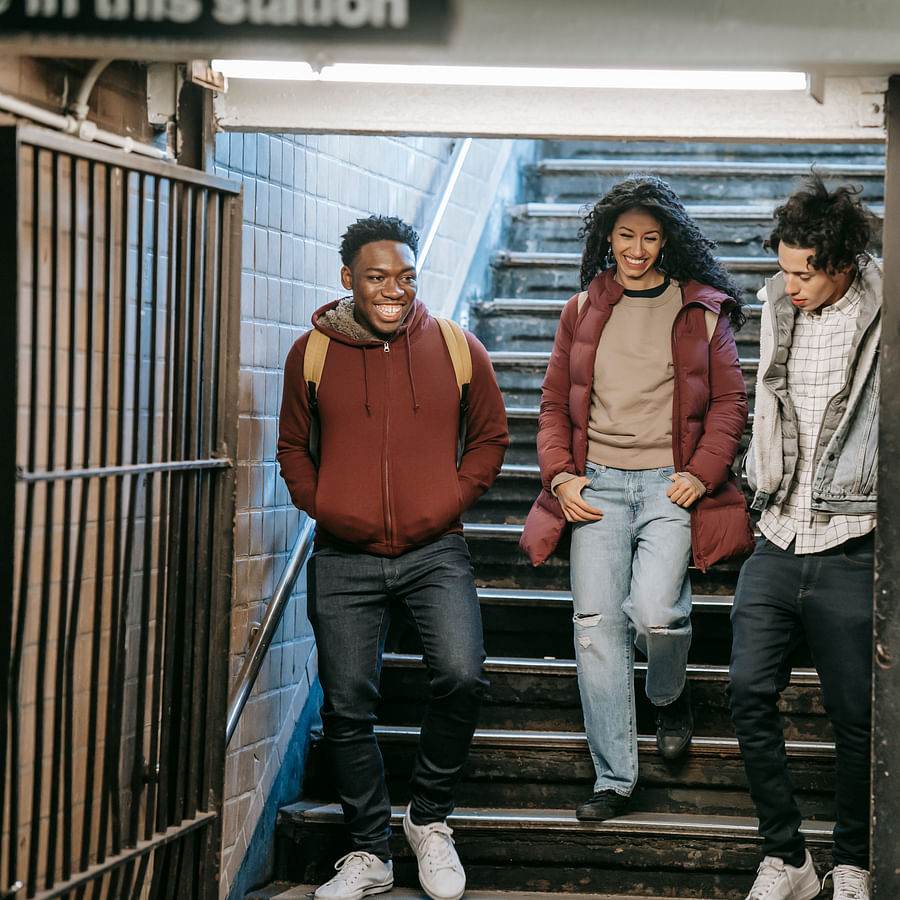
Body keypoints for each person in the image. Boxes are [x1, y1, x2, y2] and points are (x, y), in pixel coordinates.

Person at [277, 215, 508, 900]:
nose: (395, 290)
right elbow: (291, 446)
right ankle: (369, 852)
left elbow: (491, 436)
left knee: (463, 676)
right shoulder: (310, 354)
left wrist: (448, 500)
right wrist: (325, 505)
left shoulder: (457, 347)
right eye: (378, 277)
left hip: (436, 549)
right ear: (347, 279)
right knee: (347, 708)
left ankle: (429, 821)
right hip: (344, 555)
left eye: (405, 277)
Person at [520, 175, 750, 822]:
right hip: (597, 487)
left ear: (667, 239)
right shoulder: (582, 310)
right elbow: (550, 405)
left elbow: (731, 404)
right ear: (608, 239)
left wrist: (702, 474)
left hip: (667, 486)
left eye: (650, 237)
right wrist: (562, 477)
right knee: (595, 631)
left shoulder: (701, 310)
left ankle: (670, 695)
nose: (638, 249)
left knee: (655, 614)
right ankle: (615, 778)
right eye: (626, 236)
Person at [729, 176, 880, 900]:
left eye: (803, 273)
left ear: (843, 262)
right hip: (777, 531)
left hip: (854, 537)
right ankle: (789, 859)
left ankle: (853, 861)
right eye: (783, 268)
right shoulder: (775, 304)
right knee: (747, 690)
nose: (788, 284)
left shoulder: (884, 307)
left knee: (857, 717)